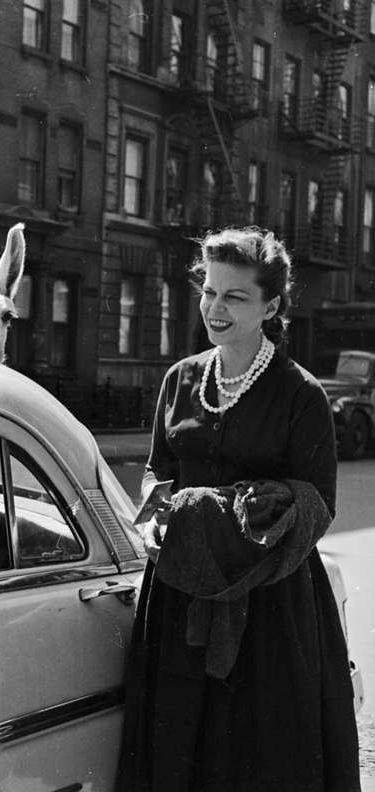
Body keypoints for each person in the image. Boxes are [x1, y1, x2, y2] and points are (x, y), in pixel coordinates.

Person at [116, 227, 360, 791]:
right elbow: (159, 474)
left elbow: (318, 505)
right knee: (180, 741)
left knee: (260, 753)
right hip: (180, 596)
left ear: (270, 306)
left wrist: (235, 517)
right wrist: (154, 517)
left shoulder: (300, 393)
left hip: (270, 608)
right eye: (209, 291)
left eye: (235, 296)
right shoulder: (180, 380)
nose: (215, 308)